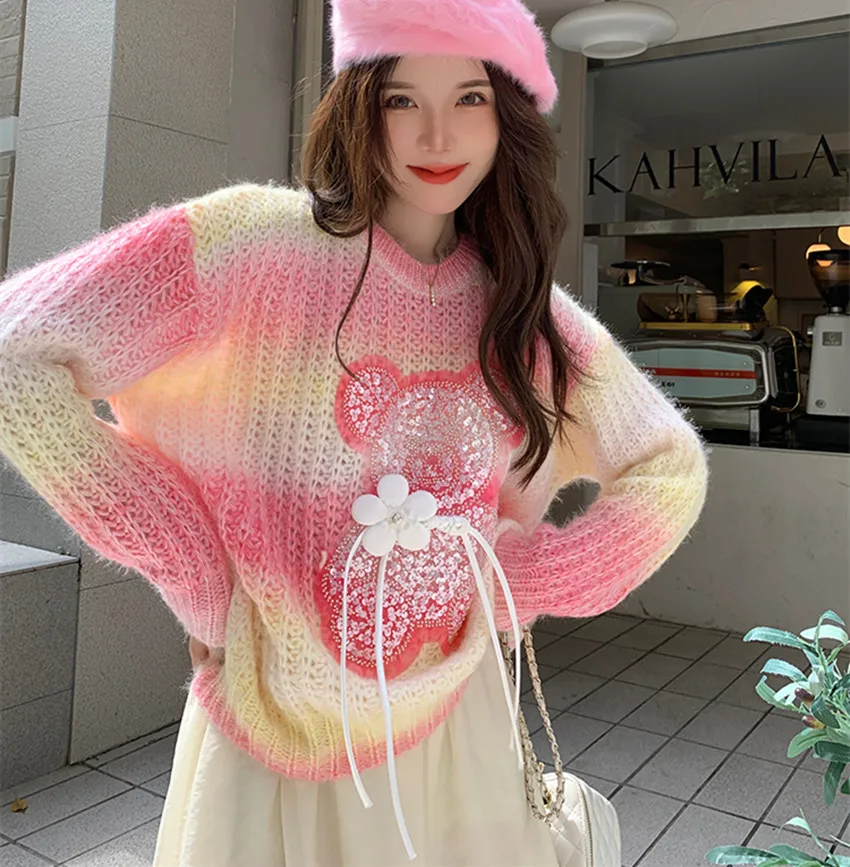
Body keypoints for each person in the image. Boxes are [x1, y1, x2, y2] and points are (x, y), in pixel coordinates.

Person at [0, 0, 709, 864]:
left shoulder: (521, 312)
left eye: (471, 97)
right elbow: (16, 356)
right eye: (402, 98)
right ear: (359, 104)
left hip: (459, 728)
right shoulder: (253, 244)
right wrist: (192, 567)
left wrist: (521, 578)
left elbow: (670, 467)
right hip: (269, 735)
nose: (437, 133)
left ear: (508, 116)